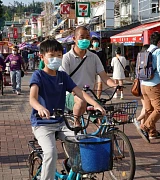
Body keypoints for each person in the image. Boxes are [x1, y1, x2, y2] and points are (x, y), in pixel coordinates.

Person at [29, 38, 105, 180]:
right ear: (42, 57)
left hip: (61, 122)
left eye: (59, 56)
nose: (56, 59)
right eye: (52, 56)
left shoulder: (62, 76)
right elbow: (32, 98)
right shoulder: (38, 75)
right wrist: (40, 107)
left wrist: (95, 104)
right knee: (51, 153)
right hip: (42, 124)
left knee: (81, 145)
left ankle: (71, 167)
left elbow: (79, 92)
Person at [60, 26, 117, 124]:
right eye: (81, 37)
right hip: (71, 95)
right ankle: (76, 123)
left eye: (87, 37)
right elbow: (64, 80)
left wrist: (115, 85)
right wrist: (74, 92)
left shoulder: (93, 57)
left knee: (103, 116)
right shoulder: (66, 58)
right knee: (81, 101)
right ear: (74, 39)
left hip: (90, 95)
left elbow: (104, 76)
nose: (85, 40)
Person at [136, 32, 160, 143]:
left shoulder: (146, 51)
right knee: (159, 108)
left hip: (144, 84)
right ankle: (145, 127)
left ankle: (152, 132)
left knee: (149, 109)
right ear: (159, 41)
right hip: (154, 84)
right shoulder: (158, 51)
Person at [133, 44, 150, 128]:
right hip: (145, 85)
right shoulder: (146, 60)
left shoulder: (139, 58)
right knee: (147, 107)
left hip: (140, 85)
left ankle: (142, 125)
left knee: (145, 106)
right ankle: (137, 120)